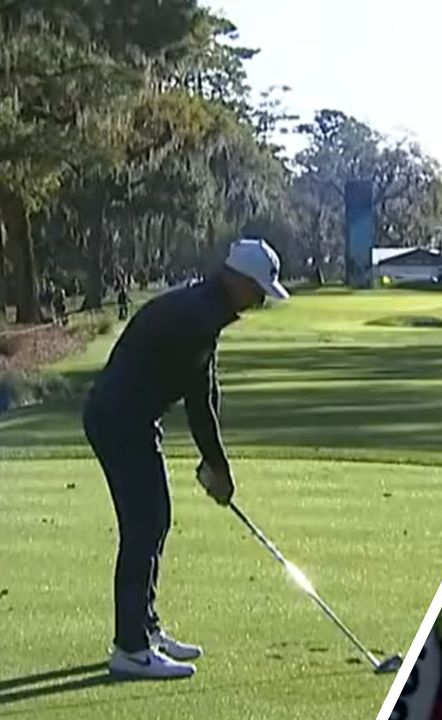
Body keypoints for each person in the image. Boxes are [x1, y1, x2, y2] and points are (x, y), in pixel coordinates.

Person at [83, 238, 290, 679]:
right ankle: (131, 649)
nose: (258, 301)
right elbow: (199, 407)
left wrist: (217, 465)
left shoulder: (204, 308)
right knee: (144, 525)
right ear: (236, 280)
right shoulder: (198, 317)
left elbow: (206, 392)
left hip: (130, 418)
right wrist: (218, 467)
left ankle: (145, 626)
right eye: (256, 289)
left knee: (154, 520)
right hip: (119, 420)